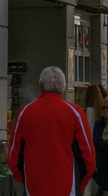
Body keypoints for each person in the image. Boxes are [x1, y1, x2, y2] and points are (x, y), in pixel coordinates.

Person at [8, 66, 97, 196]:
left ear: (41, 86)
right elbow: (87, 155)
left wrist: (21, 181)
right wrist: (82, 185)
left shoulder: (24, 112)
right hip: (67, 187)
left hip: (33, 187)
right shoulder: (76, 113)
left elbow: (13, 155)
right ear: (62, 87)